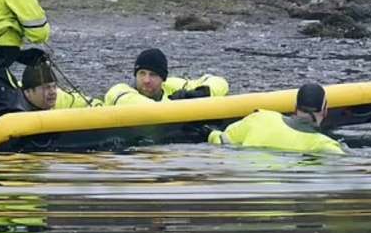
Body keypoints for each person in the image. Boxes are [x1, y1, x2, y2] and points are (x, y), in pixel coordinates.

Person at [206, 83, 345, 155]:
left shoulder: (260, 118)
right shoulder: (325, 146)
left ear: (295, 108)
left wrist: (211, 133)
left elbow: (220, 140)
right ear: (325, 111)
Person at [104, 48, 229, 105]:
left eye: (153, 75)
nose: (146, 80)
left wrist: (201, 93)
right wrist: (175, 105)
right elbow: (142, 107)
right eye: (142, 73)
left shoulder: (171, 85)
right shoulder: (120, 91)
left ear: (163, 79)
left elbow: (219, 82)